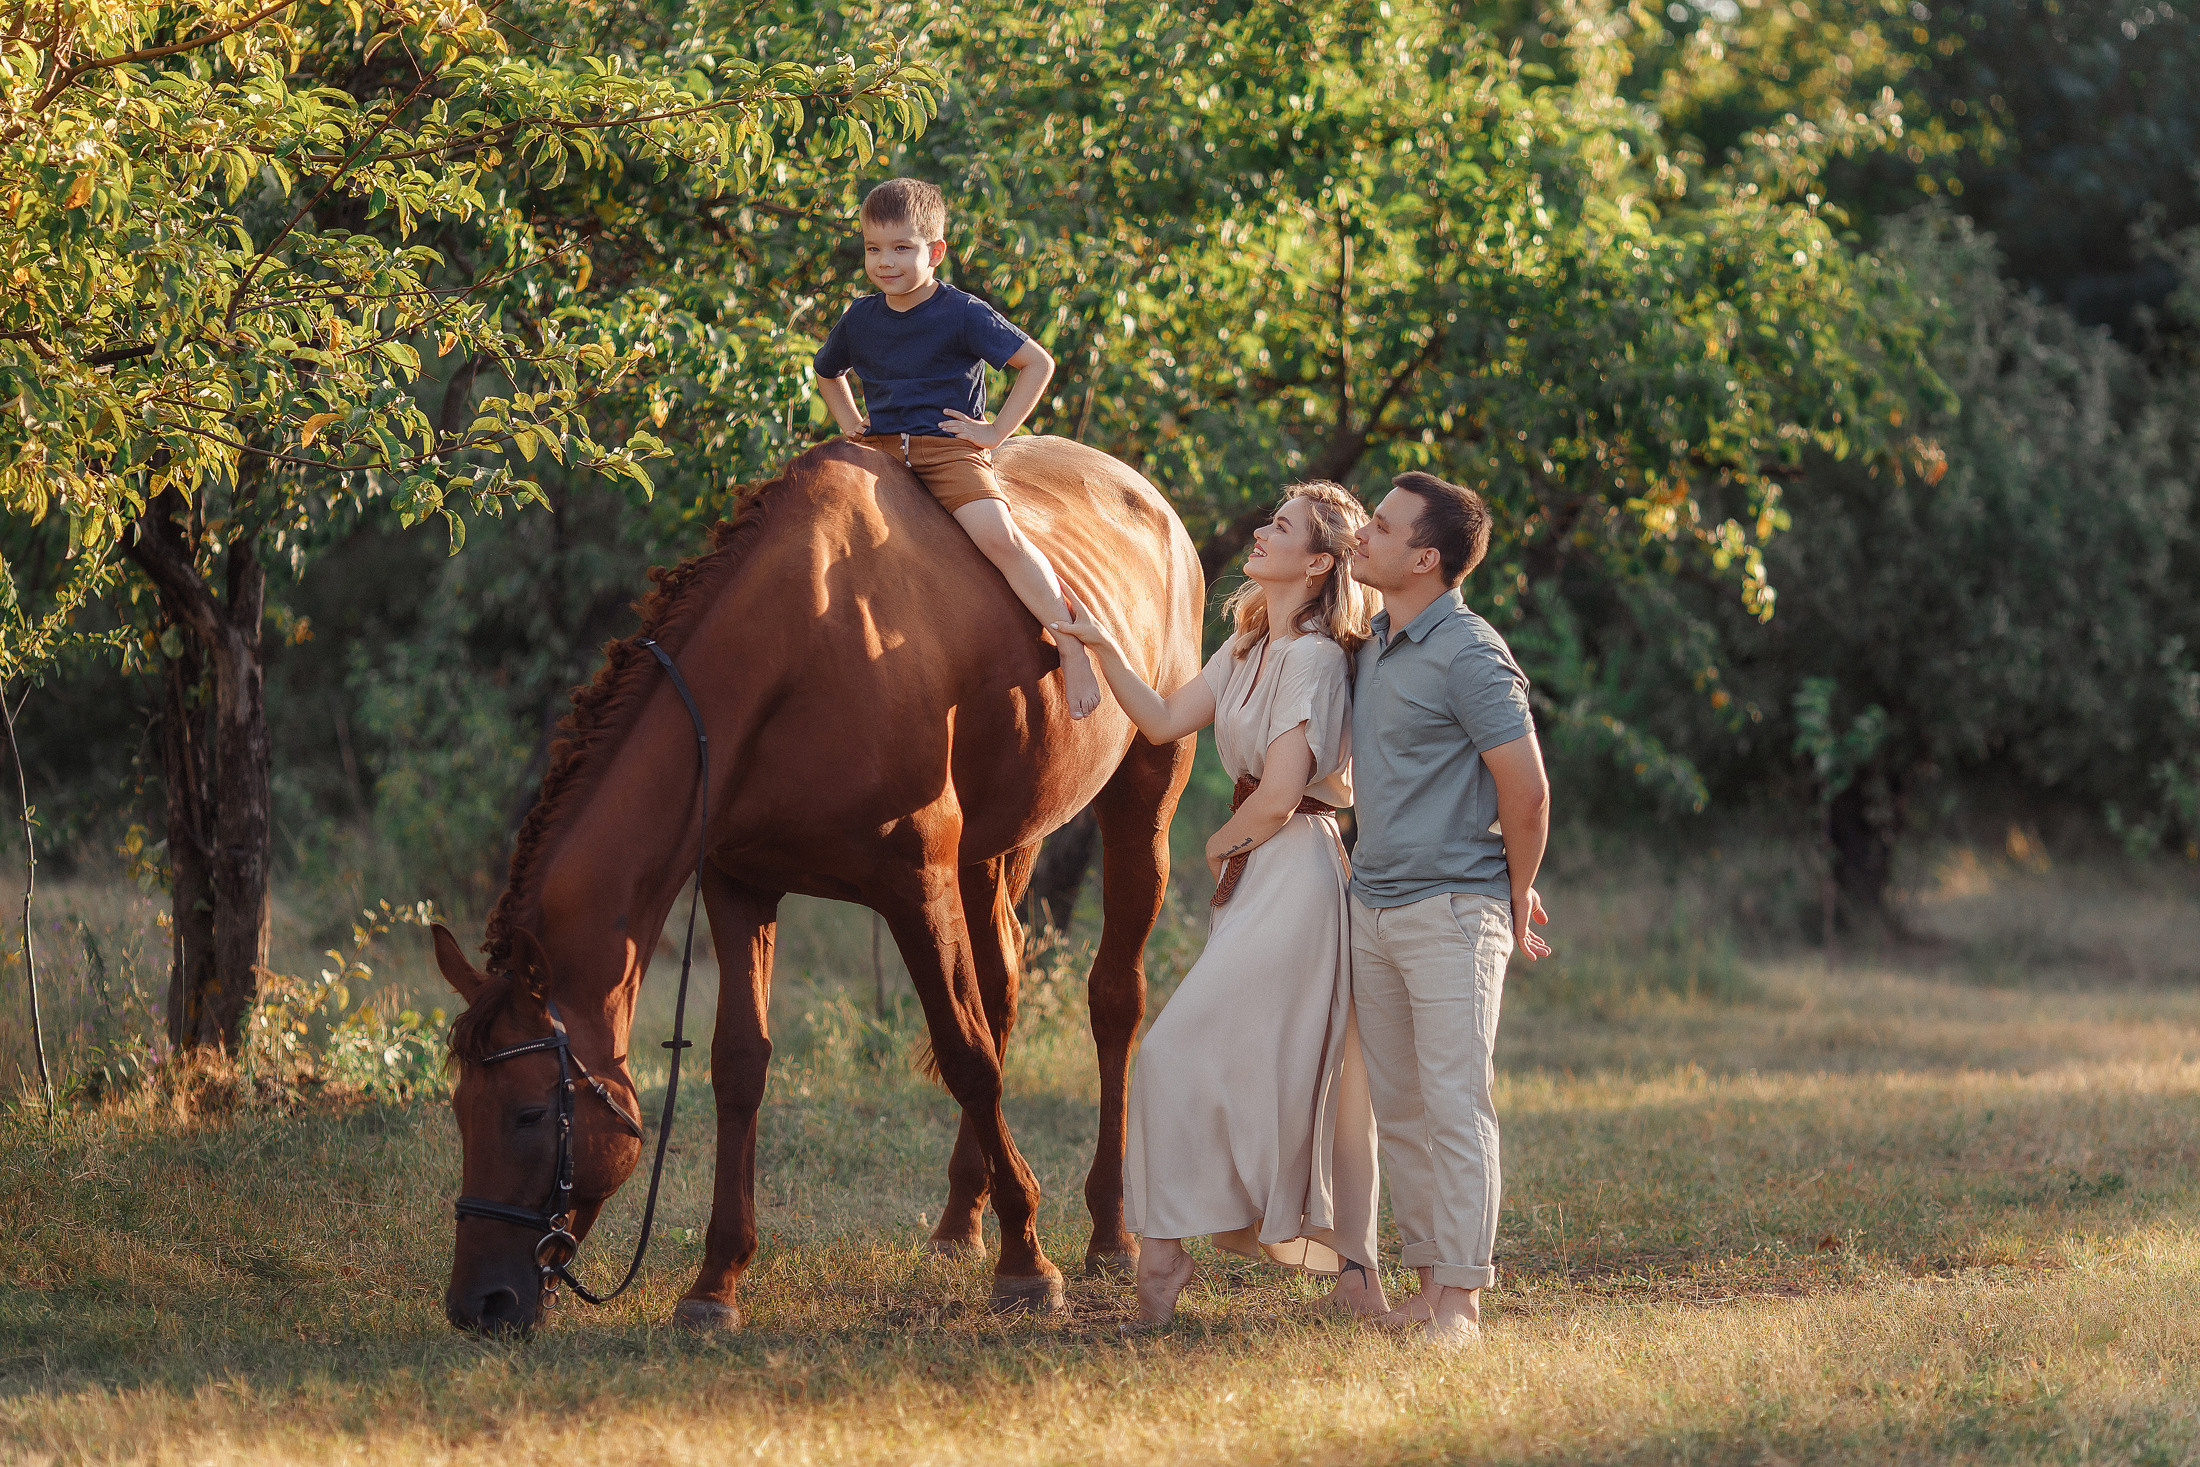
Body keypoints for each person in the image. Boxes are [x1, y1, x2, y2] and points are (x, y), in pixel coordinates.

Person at [1049, 483, 1389, 1326]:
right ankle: (1312, 1270)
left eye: (1283, 526)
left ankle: (1168, 1263)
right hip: (1259, 877)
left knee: (1175, 1053)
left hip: (1296, 873)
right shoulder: (1248, 645)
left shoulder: (1314, 658)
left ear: (1319, 562)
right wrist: (1101, 643)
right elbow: (1164, 718)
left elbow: (1278, 794)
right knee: (1236, 1061)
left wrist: (1216, 848)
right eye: (1270, 519)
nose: (1262, 531)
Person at [1345, 471, 1552, 1347]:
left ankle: (1463, 1302)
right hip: (1372, 905)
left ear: (1425, 558)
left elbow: (1527, 789)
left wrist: (1514, 887)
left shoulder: (1470, 652)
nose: (1363, 533)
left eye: (1382, 525)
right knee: (1399, 1109)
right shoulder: (1373, 641)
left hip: (1454, 911)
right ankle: (1429, 1284)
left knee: (1456, 1106)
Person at [813, 177, 1104, 719]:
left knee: (1001, 539)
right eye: (874, 248)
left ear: (935, 251)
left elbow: (1037, 364)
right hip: (879, 453)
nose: (885, 261)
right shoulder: (860, 318)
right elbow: (827, 372)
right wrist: (851, 424)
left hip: (948, 450)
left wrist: (996, 433)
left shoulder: (962, 312)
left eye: (902, 247)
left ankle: (1069, 642)